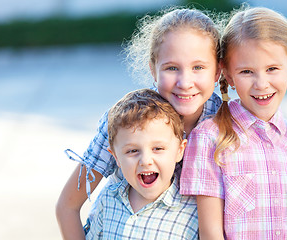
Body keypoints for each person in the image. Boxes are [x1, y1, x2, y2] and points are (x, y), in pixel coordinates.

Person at [56, 7, 225, 239]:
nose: (185, 82)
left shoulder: (227, 127)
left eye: (198, 67)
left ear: (218, 71)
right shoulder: (125, 120)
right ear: (153, 69)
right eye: (171, 68)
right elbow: (68, 206)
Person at [180, 6, 287, 240]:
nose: (261, 84)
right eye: (247, 71)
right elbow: (210, 233)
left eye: (272, 69)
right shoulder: (210, 139)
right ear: (228, 75)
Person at [77, 88, 198, 239]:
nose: (146, 161)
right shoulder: (109, 200)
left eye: (158, 148)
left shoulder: (193, 213)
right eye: (133, 151)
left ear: (180, 150)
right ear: (116, 158)